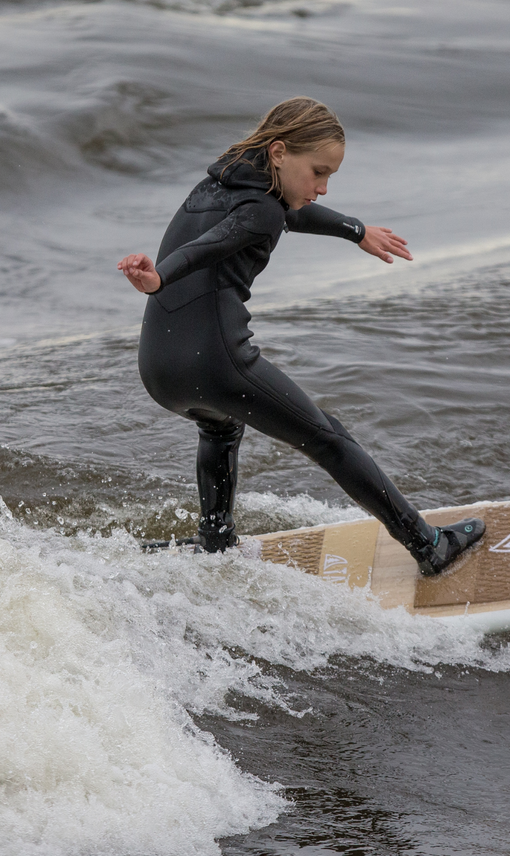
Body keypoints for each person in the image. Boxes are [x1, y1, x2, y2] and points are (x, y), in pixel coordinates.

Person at [118, 96, 485, 576]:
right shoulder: (262, 211)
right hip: (216, 362)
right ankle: (427, 545)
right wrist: (159, 277)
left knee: (221, 426)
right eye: (318, 172)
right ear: (278, 153)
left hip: (161, 370)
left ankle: (216, 541)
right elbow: (208, 247)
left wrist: (356, 231)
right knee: (329, 438)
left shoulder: (221, 184)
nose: (324, 188)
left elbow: (282, 214)